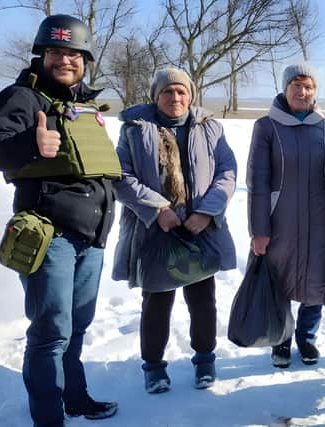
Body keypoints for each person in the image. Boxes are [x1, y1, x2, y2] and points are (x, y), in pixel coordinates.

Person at [0, 14, 118, 427]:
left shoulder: (82, 104)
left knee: (74, 328)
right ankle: (47, 417)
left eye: (74, 54)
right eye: (56, 52)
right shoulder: (22, 98)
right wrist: (31, 143)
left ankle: (75, 397)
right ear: (42, 55)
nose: (65, 60)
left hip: (90, 236)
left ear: (85, 59)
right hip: (48, 234)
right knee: (50, 332)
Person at [112, 68, 237, 393]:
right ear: (155, 96)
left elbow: (227, 171)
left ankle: (205, 360)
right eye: (168, 92)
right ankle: (153, 367)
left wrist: (207, 213)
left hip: (200, 230)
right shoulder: (135, 130)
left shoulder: (210, 127)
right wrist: (159, 210)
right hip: (156, 231)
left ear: (191, 95)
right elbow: (120, 177)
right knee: (156, 302)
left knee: (202, 299)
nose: (175, 98)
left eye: (182, 91)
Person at [247, 63, 325, 368]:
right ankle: (281, 339)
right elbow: (257, 180)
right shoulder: (267, 127)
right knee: (280, 280)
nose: (302, 92)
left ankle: (306, 338)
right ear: (285, 89)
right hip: (280, 220)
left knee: (317, 283)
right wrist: (259, 229)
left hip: (321, 221)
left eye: (308, 86)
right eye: (296, 85)